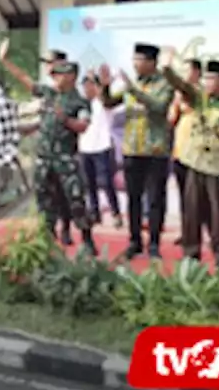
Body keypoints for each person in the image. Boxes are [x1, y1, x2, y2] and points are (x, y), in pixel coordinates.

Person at [0, 41, 95, 252]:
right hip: (44, 159)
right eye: (54, 74)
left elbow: (83, 126)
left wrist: (66, 120)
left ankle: (87, 241)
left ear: (71, 76)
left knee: (76, 201)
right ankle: (48, 239)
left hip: (65, 160)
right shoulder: (49, 94)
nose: (55, 77)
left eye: (59, 74)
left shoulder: (79, 102)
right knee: (44, 202)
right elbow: (26, 80)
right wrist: (5, 61)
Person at [163, 54, 219, 271]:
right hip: (194, 163)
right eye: (205, 79)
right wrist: (166, 68)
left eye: (212, 79)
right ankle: (191, 256)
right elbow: (181, 85)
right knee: (191, 212)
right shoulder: (199, 97)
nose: (207, 83)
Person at [98, 44, 174, 259]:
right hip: (132, 150)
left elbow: (159, 107)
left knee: (155, 199)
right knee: (133, 198)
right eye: (133, 59)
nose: (134, 64)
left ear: (152, 62)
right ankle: (134, 241)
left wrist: (133, 89)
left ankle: (154, 244)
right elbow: (109, 102)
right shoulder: (132, 84)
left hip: (155, 150)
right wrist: (104, 87)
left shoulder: (165, 83)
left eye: (139, 60)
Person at [168, 59, 204, 245]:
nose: (184, 74)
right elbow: (171, 119)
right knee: (184, 196)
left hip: (196, 153)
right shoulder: (178, 94)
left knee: (196, 198)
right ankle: (187, 232)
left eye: (187, 70)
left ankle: (197, 233)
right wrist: (175, 104)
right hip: (179, 149)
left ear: (197, 72)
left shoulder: (203, 93)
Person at [79, 73, 121, 227]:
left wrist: (101, 85)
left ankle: (116, 213)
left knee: (106, 183)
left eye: (90, 85)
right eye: (84, 86)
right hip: (85, 148)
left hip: (102, 147)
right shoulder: (81, 104)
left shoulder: (103, 104)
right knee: (89, 184)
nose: (86, 89)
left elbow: (107, 99)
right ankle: (95, 213)